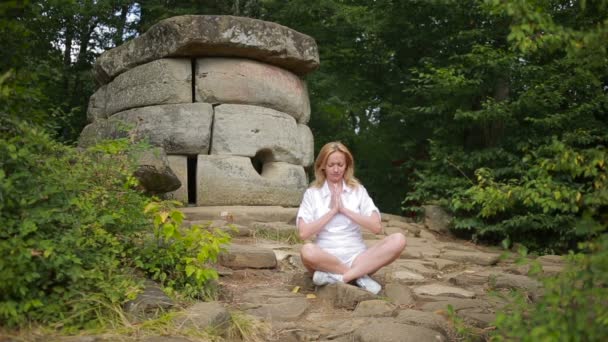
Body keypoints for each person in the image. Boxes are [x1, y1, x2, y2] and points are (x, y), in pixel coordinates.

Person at [297, 141, 407, 294]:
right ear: (322, 165)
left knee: (399, 239)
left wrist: (344, 210)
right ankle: (359, 276)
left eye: (340, 165)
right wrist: (332, 212)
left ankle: (342, 277)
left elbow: (376, 227)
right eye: (331, 165)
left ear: (347, 165)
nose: (336, 170)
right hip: (325, 258)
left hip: (359, 258)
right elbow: (303, 233)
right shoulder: (312, 193)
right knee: (307, 251)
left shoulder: (358, 190)